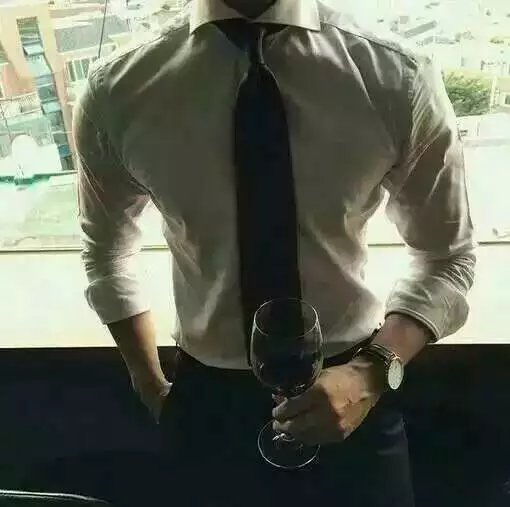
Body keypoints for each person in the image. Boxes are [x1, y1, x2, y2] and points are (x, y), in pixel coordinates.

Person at [74, 0, 476, 505]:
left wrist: (371, 373)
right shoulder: (119, 88)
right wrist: (150, 386)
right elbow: (106, 252)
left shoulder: (395, 77)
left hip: (353, 392)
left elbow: (448, 257)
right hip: (205, 408)